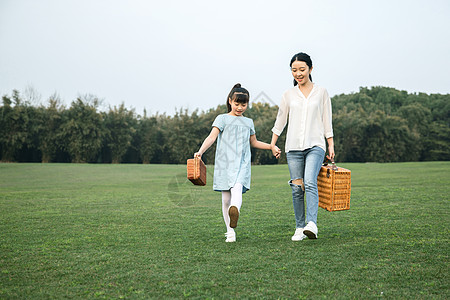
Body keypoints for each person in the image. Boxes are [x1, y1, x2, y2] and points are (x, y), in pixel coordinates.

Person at [194, 83, 281, 243]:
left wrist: (271, 146)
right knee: (225, 199)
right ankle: (230, 231)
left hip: (242, 163)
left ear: (247, 104)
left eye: (243, 104)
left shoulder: (248, 122)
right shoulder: (222, 119)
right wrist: (200, 152)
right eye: (237, 103)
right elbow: (212, 137)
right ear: (230, 101)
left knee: (237, 189)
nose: (240, 107)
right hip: (224, 164)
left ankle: (235, 210)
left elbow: (253, 142)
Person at [270, 52, 335, 241]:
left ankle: (312, 224)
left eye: (302, 69)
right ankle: (299, 227)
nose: (298, 74)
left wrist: (330, 144)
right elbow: (280, 120)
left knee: (309, 182)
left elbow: (326, 120)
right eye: (294, 70)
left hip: (316, 144)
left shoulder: (321, 92)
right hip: (293, 147)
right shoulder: (288, 95)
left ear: (310, 69)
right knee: (297, 188)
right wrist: (273, 143)